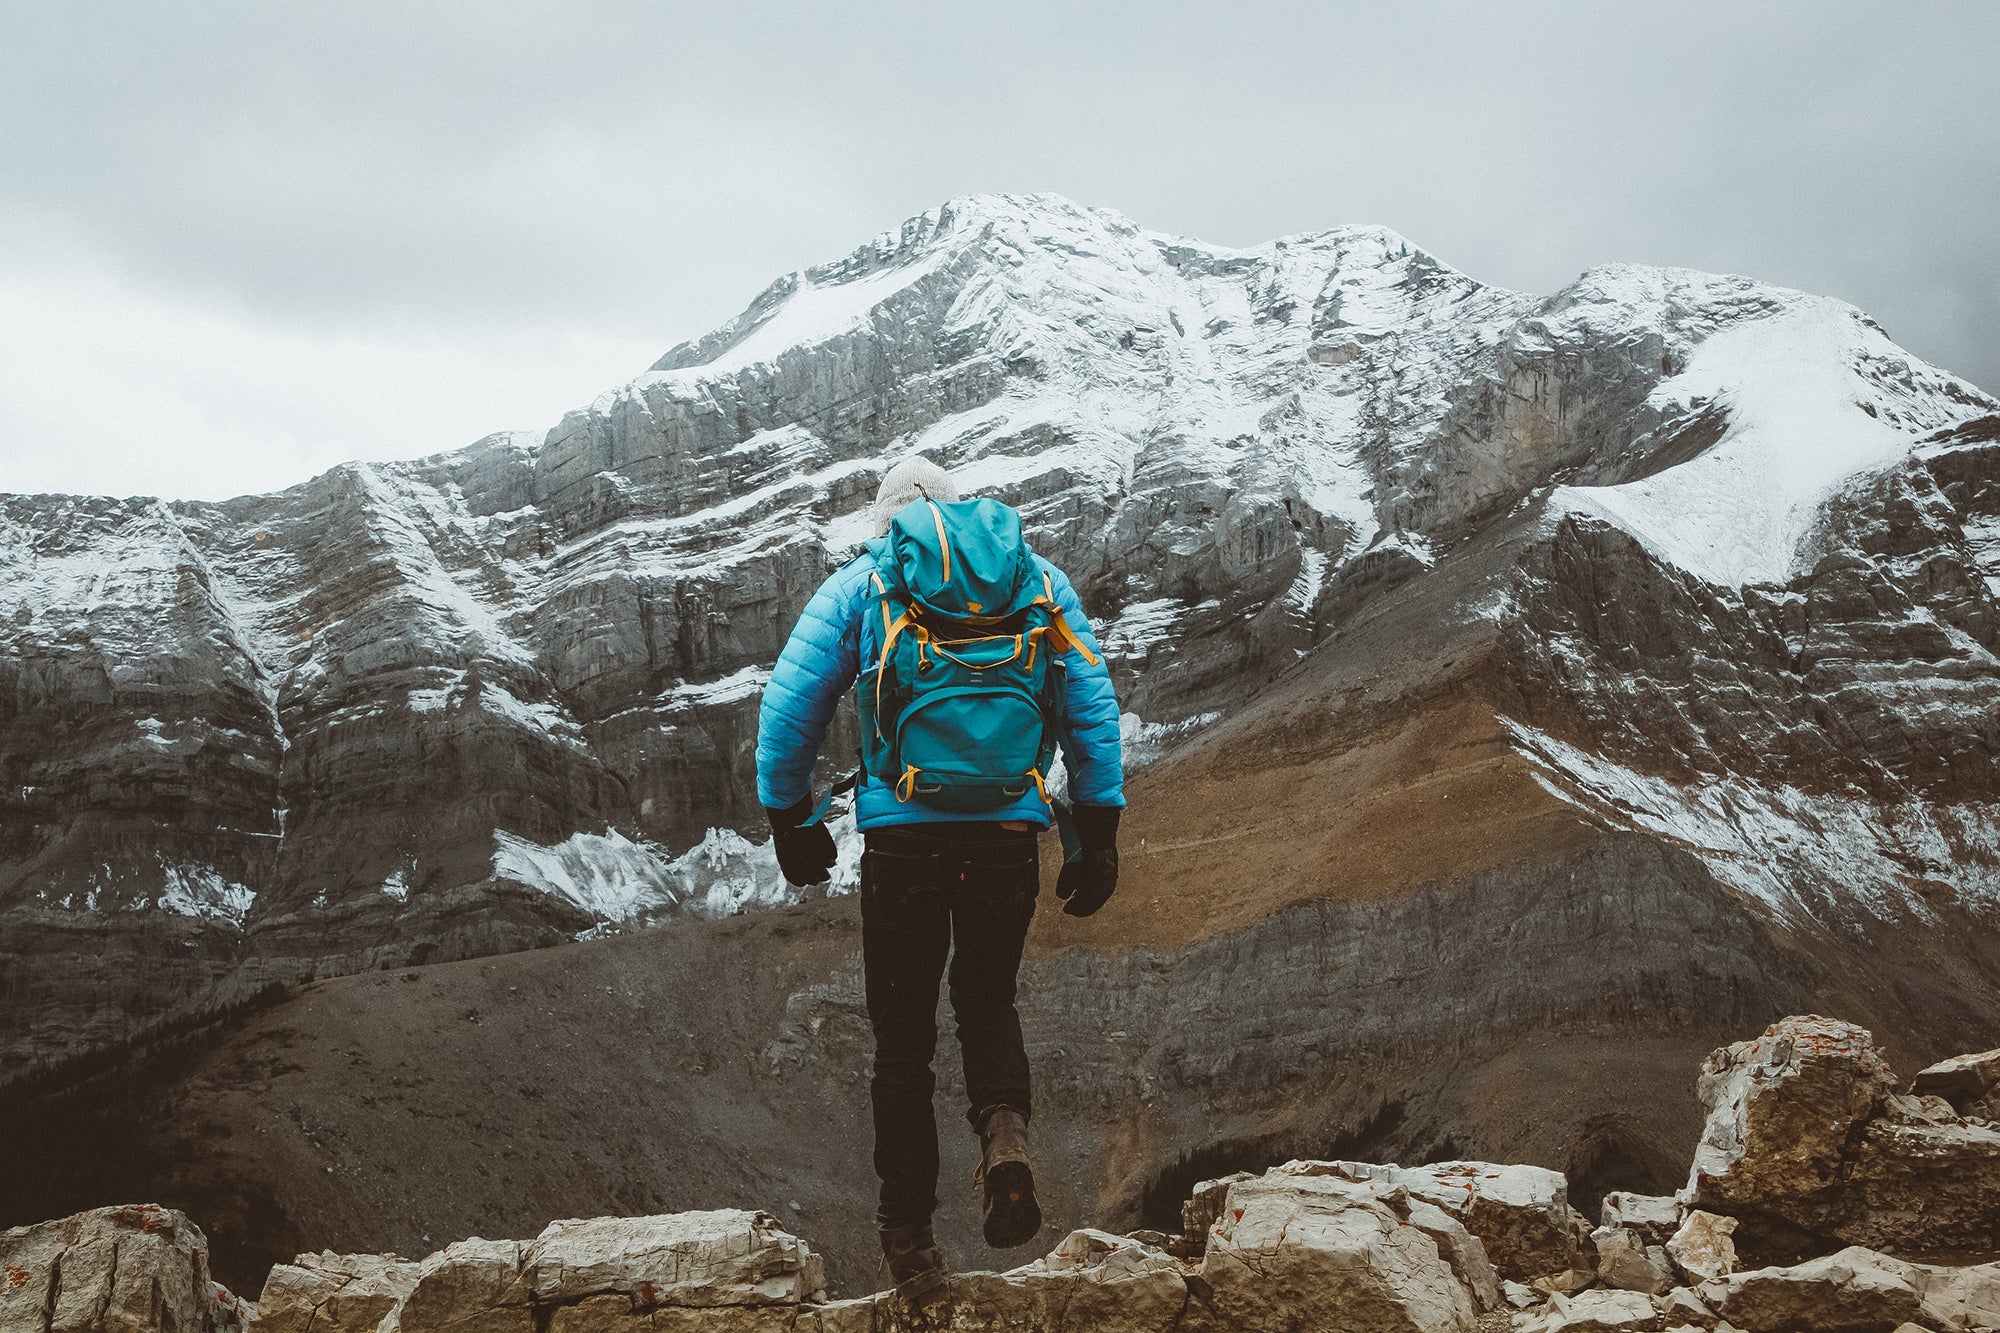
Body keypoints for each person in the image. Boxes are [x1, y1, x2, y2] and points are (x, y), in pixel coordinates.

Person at [755, 455, 1125, 1295]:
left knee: (903, 1045)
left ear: (889, 523)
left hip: (904, 844)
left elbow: (788, 704)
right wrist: (1096, 828)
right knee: (988, 1000)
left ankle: (913, 1245)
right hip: (1005, 834)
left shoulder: (866, 582)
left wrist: (791, 816)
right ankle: (1004, 1138)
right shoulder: (1037, 578)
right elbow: (1090, 698)